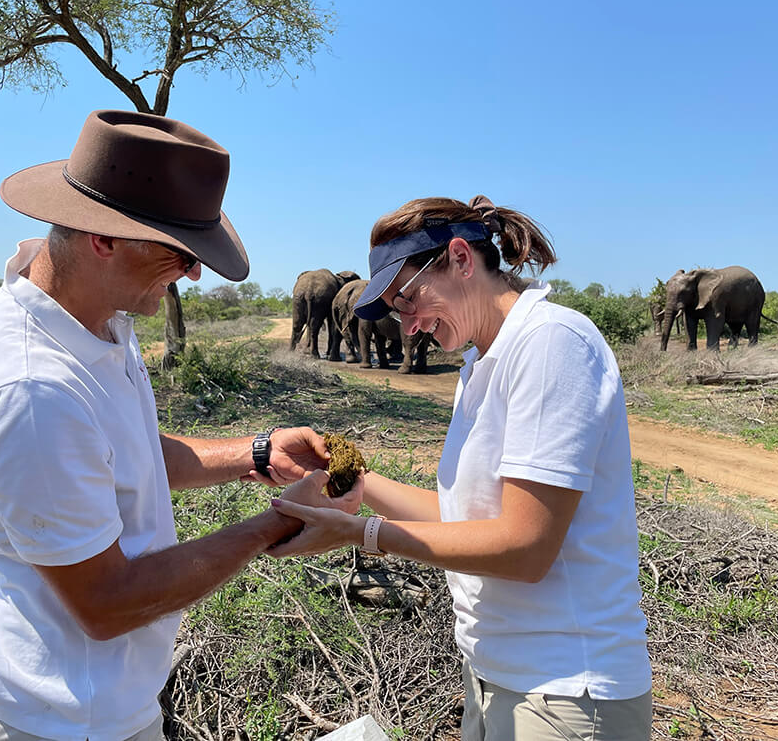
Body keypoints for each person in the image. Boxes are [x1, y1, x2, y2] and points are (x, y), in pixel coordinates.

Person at [0, 110, 347, 741]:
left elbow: (126, 453)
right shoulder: (31, 389)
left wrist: (258, 453)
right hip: (54, 716)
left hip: (98, 696)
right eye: (181, 253)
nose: (195, 273)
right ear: (104, 239)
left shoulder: (94, 321)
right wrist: (278, 523)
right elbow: (107, 604)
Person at [268, 195, 652, 741]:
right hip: (492, 673)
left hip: (564, 690)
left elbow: (526, 548)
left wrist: (362, 534)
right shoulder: (480, 364)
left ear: (460, 259)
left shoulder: (551, 344)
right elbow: (462, 515)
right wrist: (348, 473)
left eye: (407, 300)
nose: (407, 327)